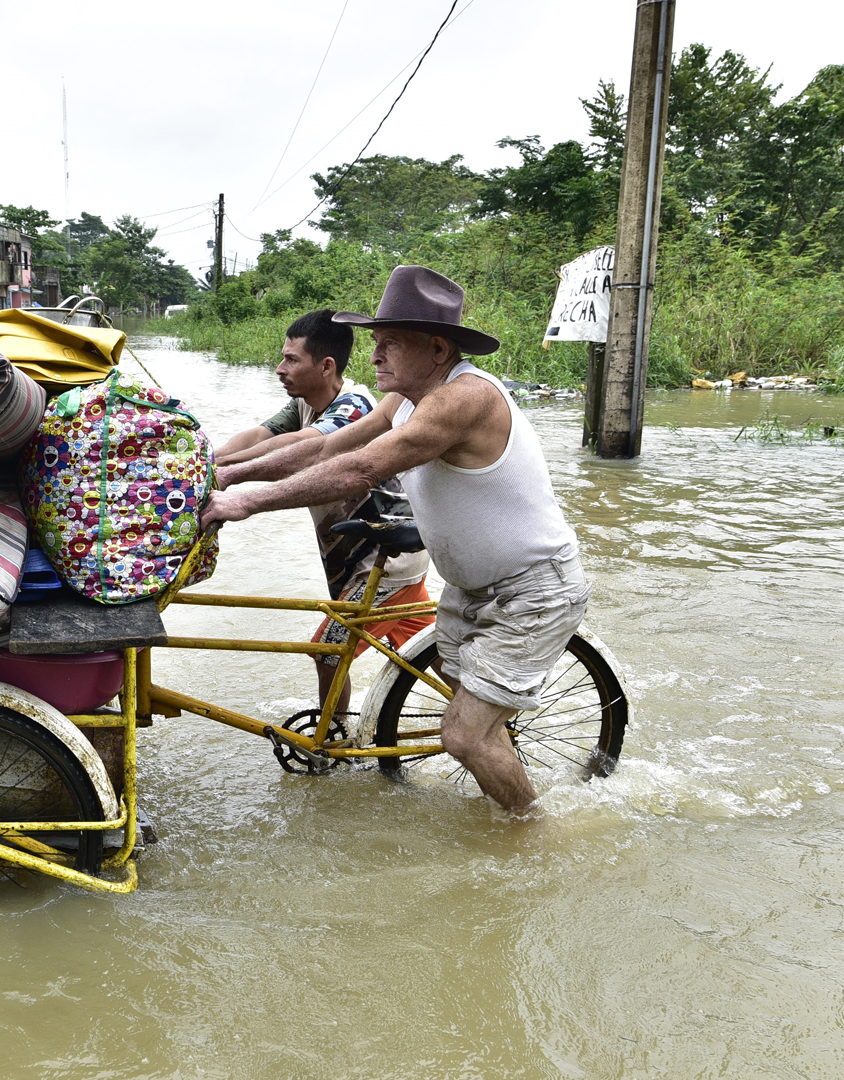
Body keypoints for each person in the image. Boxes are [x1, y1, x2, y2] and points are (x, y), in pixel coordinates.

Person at [201, 266, 590, 814]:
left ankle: (538, 837)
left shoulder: (464, 398)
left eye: (390, 344)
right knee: (461, 705)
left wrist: (246, 503)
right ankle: (506, 798)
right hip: (470, 589)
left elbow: (359, 469)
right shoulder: (402, 401)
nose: (375, 355)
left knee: (463, 735)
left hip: (531, 589)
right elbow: (324, 449)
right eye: (376, 341)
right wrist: (225, 475)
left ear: (437, 349)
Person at [214, 309, 432, 723]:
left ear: (326, 366)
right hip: (366, 557)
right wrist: (210, 457)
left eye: (291, 359)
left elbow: (303, 448)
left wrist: (226, 473)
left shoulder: (354, 407)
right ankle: (485, 717)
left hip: (384, 562)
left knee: (328, 651)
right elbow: (260, 435)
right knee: (430, 653)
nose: (280, 369)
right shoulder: (303, 404)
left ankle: (329, 737)